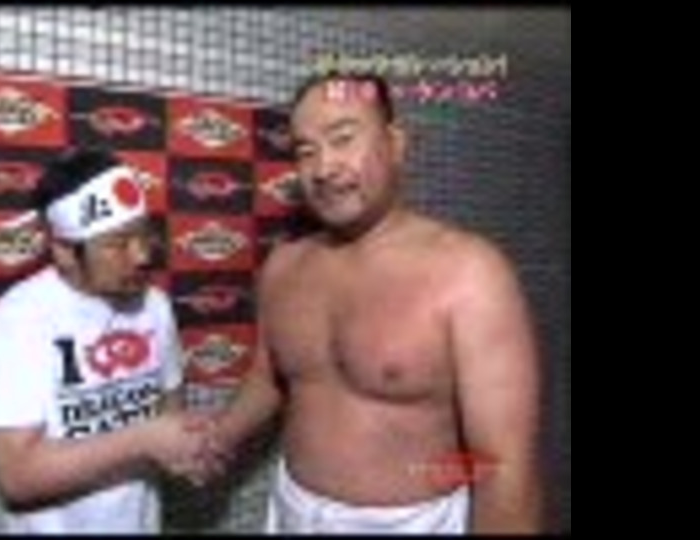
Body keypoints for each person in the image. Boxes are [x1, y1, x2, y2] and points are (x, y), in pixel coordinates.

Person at [191, 72, 544, 534]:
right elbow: (268, 376)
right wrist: (217, 438)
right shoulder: (284, 265)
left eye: (342, 139)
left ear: (395, 144)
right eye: (305, 150)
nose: (323, 168)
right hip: (292, 510)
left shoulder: (470, 273)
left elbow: (503, 468)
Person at [0, 147, 209, 534]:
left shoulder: (155, 305)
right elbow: (17, 477)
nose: (141, 256)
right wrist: (142, 440)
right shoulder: (17, 320)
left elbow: (170, 405)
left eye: (143, 235)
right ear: (64, 250)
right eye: (118, 244)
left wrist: (185, 449)